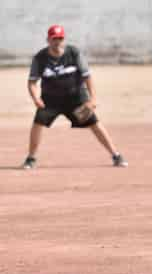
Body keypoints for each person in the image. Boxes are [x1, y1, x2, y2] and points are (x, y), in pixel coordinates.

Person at [22, 25, 127, 169]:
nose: (57, 42)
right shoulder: (40, 58)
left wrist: (93, 99)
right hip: (50, 100)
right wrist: (35, 98)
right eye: (54, 39)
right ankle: (31, 158)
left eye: (60, 38)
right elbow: (32, 82)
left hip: (75, 98)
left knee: (94, 123)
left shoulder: (74, 53)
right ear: (48, 40)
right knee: (37, 124)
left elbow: (87, 76)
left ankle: (116, 155)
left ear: (64, 39)